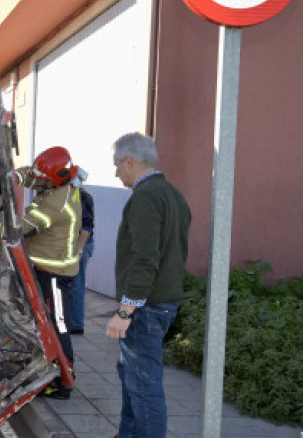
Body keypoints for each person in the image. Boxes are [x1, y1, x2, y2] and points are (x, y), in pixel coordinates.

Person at [106, 132, 190, 438]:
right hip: (161, 303)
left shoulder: (145, 197)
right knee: (130, 372)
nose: (116, 173)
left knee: (143, 384)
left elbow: (145, 259)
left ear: (130, 161)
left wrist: (125, 312)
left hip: (147, 306)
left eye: (117, 165)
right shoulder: (172, 194)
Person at [14, 146, 82, 399]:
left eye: (44, 179)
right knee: (46, 323)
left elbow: (21, 228)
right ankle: (49, 368)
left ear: (57, 178)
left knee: (58, 325)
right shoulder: (58, 186)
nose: (38, 182)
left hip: (55, 273)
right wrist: (13, 176)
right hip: (46, 269)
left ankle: (64, 379)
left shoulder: (55, 202)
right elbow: (34, 176)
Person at [68, 185, 94, 334]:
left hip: (81, 245)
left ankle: (76, 325)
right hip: (69, 245)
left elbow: (87, 226)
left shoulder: (82, 197)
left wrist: (79, 250)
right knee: (68, 286)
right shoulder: (62, 195)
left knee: (77, 284)